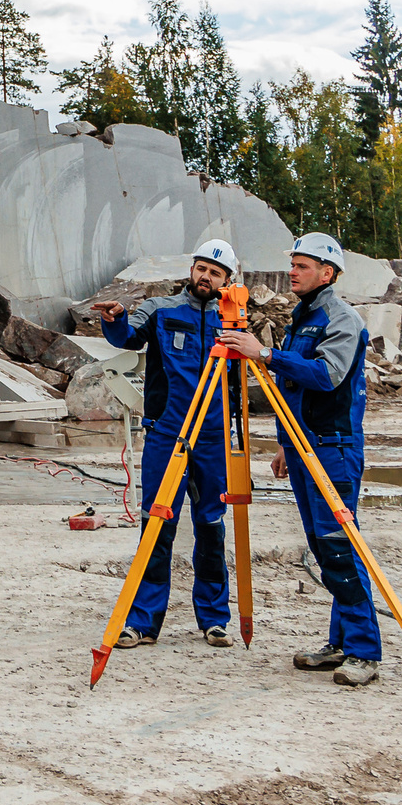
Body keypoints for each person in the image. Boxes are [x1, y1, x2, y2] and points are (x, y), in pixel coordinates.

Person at [218, 231, 380, 688]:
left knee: (339, 547)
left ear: (327, 273)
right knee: (324, 547)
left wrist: (264, 353)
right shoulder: (303, 317)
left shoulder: (340, 318)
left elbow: (326, 377)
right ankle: (342, 643)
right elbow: (294, 391)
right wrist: (287, 445)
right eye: (293, 264)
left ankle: (364, 653)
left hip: (334, 447)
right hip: (307, 446)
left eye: (302, 265)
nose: (292, 271)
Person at [91, 238, 242, 650]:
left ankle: (214, 619)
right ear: (191, 271)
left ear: (227, 281)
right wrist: (116, 320)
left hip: (213, 439)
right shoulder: (161, 310)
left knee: (211, 527)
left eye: (215, 272)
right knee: (156, 526)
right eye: (201, 268)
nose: (206, 277)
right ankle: (142, 622)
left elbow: (247, 381)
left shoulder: (234, 322)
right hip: (166, 434)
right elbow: (128, 338)